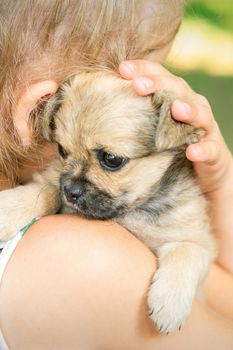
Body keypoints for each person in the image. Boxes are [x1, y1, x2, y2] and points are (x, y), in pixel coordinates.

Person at [0, 1, 233, 349]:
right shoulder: (90, 262)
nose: (73, 187)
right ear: (37, 112)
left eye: (108, 159)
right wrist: (224, 185)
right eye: (65, 152)